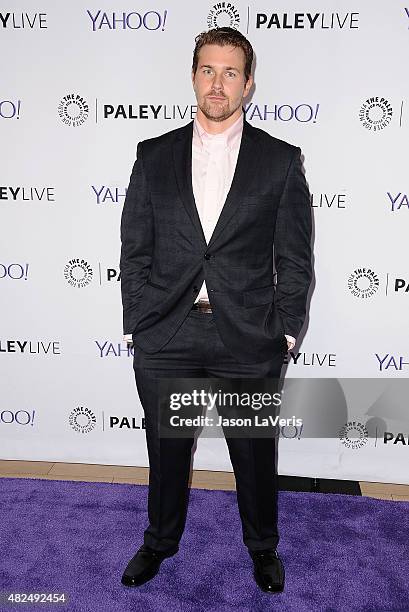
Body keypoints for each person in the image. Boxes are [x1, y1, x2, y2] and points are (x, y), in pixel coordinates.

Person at [119, 27, 312, 594]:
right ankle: (159, 543)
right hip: (168, 332)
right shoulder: (153, 156)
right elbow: (135, 248)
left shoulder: (279, 161)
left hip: (248, 336)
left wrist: (285, 333)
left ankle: (262, 550)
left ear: (248, 84)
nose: (218, 83)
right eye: (208, 70)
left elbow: (295, 258)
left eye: (231, 72)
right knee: (167, 453)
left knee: (254, 456)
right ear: (193, 77)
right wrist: (139, 322)